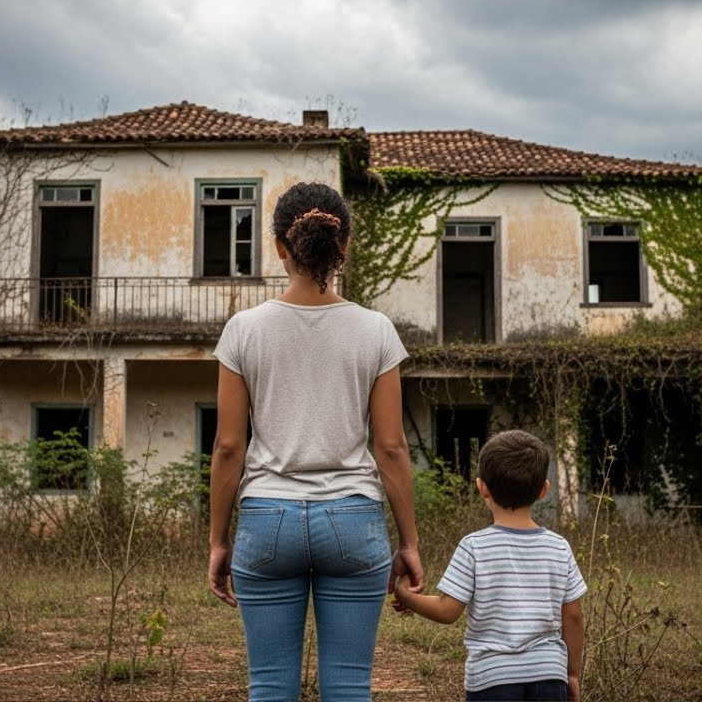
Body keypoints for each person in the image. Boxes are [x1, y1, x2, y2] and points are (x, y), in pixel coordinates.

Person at [207, 181, 424, 702]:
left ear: (280, 247)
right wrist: (410, 543)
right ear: (344, 244)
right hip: (353, 520)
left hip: (266, 521)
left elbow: (229, 447)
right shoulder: (376, 331)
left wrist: (219, 540)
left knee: (269, 687)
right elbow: (391, 447)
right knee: (350, 686)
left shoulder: (244, 330)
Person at [393, 430, 586, 702]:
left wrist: (406, 596)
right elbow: (573, 616)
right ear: (544, 490)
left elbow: (448, 611)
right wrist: (572, 674)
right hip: (549, 675)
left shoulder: (474, 547)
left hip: (492, 678)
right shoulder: (559, 547)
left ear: (482, 487)